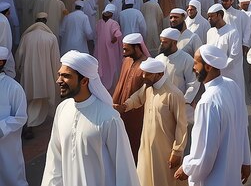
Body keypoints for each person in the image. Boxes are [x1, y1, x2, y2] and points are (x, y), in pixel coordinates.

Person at [41, 50, 140, 186]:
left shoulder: (109, 118)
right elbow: (54, 160)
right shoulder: (62, 109)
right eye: (59, 75)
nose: (59, 81)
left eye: (66, 76)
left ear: (84, 81)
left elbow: (124, 168)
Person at [174, 44, 251, 185]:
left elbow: (206, 151)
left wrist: (187, 169)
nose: (193, 68)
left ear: (208, 67)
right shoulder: (232, 85)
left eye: (196, 63)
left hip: (214, 178)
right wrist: (246, 160)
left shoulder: (207, 102)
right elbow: (242, 127)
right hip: (232, 173)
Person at [116, 57, 188, 186]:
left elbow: (181, 125)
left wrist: (177, 151)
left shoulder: (174, 94)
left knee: (165, 180)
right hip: (146, 145)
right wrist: (125, 106)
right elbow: (137, 97)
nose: (144, 76)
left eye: (148, 73)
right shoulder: (148, 87)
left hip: (165, 149)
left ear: (159, 74)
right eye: (143, 72)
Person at [14, 13, 59, 139]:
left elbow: (19, 55)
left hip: (28, 74)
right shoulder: (51, 38)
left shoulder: (27, 37)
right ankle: (29, 124)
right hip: (44, 76)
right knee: (39, 99)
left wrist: (18, 68)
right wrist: (57, 74)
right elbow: (55, 59)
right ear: (46, 21)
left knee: (30, 99)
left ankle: (28, 123)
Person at [112, 33, 150, 161]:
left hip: (137, 112)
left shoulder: (147, 65)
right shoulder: (126, 61)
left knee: (135, 141)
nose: (123, 52)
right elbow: (120, 84)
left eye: (126, 49)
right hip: (121, 110)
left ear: (137, 48)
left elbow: (145, 93)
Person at [156, 28, 198, 123]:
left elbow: (193, 83)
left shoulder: (186, 59)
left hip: (181, 107)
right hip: (162, 106)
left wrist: (185, 101)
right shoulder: (158, 59)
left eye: (165, 42)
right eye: (161, 42)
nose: (162, 45)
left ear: (174, 43)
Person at [0, 46, 28, 186]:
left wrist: (2, 129)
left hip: (7, 144)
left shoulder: (14, 88)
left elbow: (21, 117)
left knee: (10, 175)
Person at [206, 4, 245, 98]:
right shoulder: (210, 32)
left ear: (220, 15)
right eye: (208, 16)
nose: (209, 19)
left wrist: (218, 67)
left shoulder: (232, 32)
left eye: (212, 16)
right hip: (214, 76)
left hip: (231, 76)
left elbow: (234, 56)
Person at [94, 4, 123, 90]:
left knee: (101, 66)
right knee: (112, 66)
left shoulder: (99, 23)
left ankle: (102, 86)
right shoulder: (114, 23)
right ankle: (112, 87)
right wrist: (115, 38)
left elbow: (96, 34)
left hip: (100, 49)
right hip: (111, 49)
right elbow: (118, 34)